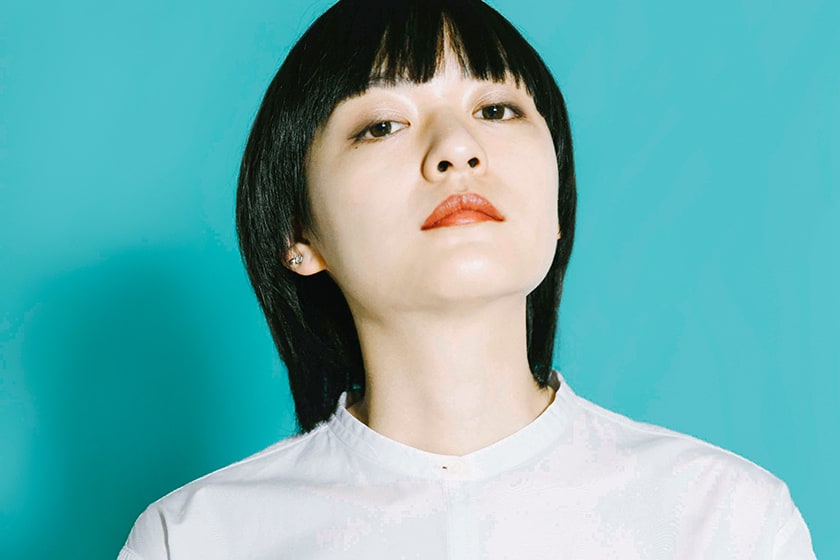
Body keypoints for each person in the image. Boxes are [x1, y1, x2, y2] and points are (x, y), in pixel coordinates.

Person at [118, 0, 816, 558]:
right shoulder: (196, 539)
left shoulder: (728, 520)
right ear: (297, 235)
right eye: (382, 125)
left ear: (557, 204)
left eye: (495, 110)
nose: (457, 148)